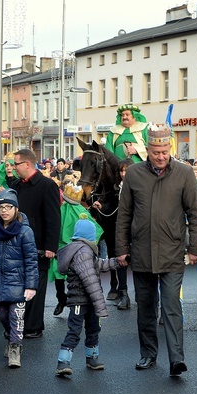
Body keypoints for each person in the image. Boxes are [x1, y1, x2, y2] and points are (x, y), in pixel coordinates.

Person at [116, 124, 197, 376]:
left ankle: (177, 359)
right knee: (145, 307)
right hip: (141, 251)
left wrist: (195, 247)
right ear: (148, 150)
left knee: (171, 306)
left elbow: (195, 214)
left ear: (170, 149)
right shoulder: (133, 173)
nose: (161, 156)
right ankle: (148, 354)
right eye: (156, 152)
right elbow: (124, 215)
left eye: (165, 151)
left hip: (172, 251)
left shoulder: (185, 174)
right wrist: (122, 248)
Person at [55, 218, 121, 377]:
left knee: (93, 329)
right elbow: (90, 281)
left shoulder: (84, 250)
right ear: (91, 236)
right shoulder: (84, 252)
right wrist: (101, 306)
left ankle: (91, 358)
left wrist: (117, 262)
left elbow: (99, 264)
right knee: (75, 330)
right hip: (80, 300)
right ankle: (63, 362)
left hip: (85, 300)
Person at [7, 149, 61, 339]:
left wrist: (51, 247)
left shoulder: (47, 185)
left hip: (39, 247)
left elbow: (53, 218)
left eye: (16, 164)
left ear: (27, 164)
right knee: (20, 286)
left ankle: (34, 326)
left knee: (35, 289)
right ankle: (19, 324)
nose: (14, 168)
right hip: (17, 245)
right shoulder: (16, 186)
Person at [0, 189, 38, 368]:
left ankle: (15, 348)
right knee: (2, 316)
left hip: (19, 284)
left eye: (9, 206)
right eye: (1, 207)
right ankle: (11, 339)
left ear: (16, 209)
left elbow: (31, 260)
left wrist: (31, 286)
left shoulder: (25, 232)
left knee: (16, 318)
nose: (4, 211)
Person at [49, 178, 103, 317]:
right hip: (64, 248)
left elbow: (94, 228)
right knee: (62, 276)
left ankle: (70, 302)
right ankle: (64, 300)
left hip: (75, 248)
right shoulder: (63, 209)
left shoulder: (74, 210)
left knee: (66, 277)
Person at [91, 157, 135, 310]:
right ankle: (123, 293)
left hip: (136, 229)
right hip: (120, 228)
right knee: (120, 259)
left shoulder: (140, 186)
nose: (123, 174)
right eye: (121, 171)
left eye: (126, 170)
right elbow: (111, 206)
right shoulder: (116, 188)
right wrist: (102, 206)